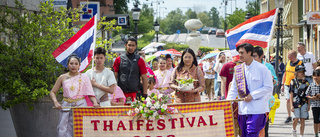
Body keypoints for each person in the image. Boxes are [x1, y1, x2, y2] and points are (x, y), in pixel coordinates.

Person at [226, 43, 273, 137]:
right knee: (244, 134)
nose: (240, 55)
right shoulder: (238, 69)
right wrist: (227, 103)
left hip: (257, 109)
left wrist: (253, 95)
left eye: (242, 53)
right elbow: (234, 89)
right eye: (239, 53)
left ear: (249, 52)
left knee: (252, 133)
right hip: (243, 109)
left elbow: (268, 87)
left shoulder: (262, 69)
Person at [50, 54, 99, 137]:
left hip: (81, 106)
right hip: (66, 106)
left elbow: (90, 93)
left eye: (76, 64)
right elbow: (52, 92)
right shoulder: (62, 77)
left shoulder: (84, 77)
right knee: (63, 129)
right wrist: (56, 102)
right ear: (67, 64)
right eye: (71, 63)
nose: (73, 66)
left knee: (80, 129)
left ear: (79, 66)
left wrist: (95, 102)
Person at [113, 38, 148, 104]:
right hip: (121, 93)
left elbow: (144, 78)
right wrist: (113, 92)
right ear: (125, 45)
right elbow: (114, 77)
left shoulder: (140, 60)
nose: (131, 47)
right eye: (129, 45)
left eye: (133, 45)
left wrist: (145, 93)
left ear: (135, 46)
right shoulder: (118, 59)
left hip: (135, 93)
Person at [252, 46, 278, 137]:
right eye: (252, 56)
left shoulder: (268, 66)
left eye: (255, 56)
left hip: (265, 100)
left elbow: (275, 81)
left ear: (261, 56)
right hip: (252, 100)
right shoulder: (249, 66)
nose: (253, 59)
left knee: (264, 125)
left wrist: (271, 80)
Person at [282, 50, 304, 123]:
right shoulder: (288, 63)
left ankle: (297, 116)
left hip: (296, 84)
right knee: (288, 100)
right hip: (288, 84)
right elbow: (285, 74)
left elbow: (303, 74)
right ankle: (289, 116)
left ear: (293, 56)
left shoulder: (300, 63)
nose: (288, 56)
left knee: (297, 100)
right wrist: (282, 84)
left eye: (289, 55)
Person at [289, 65, 310, 137]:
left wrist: (308, 105)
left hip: (304, 102)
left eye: (303, 72)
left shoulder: (306, 82)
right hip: (295, 102)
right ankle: (294, 130)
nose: (302, 73)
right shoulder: (293, 81)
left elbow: (308, 94)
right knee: (296, 118)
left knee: (302, 119)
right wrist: (291, 105)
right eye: (300, 72)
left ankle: (301, 135)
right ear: (296, 73)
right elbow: (291, 94)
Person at [306, 69, 320, 137]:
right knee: (316, 120)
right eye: (314, 76)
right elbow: (306, 94)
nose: (316, 77)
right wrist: (312, 97)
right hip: (314, 105)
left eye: (318, 76)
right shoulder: (311, 85)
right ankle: (316, 134)